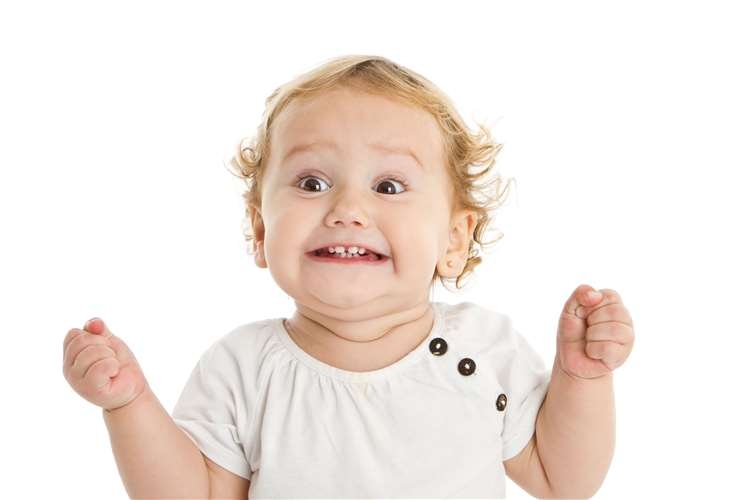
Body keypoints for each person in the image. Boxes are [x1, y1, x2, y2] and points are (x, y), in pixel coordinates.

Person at [62, 55, 635, 498]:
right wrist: (130, 406)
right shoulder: (244, 369)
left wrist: (582, 379)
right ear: (260, 229)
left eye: (388, 186)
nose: (348, 209)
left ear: (454, 241)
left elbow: (562, 479)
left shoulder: (484, 351)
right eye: (312, 183)